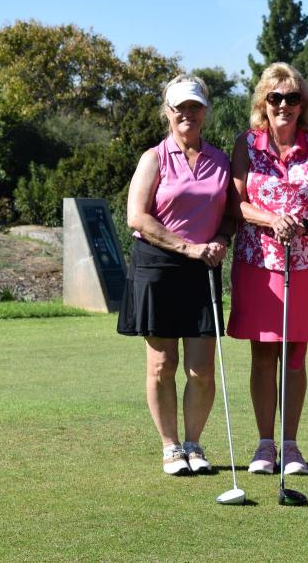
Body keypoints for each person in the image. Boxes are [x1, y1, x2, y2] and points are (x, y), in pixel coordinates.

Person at [117, 74, 232, 476]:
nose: (188, 114)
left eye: (195, 106)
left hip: (202, 269)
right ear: (167, 112)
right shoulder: (154, 157)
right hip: (158, 267)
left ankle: (194, 444)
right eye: (180, 107)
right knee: (162, 365)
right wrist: (187, 247)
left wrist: (219, 240)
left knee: (200, 371)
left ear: (205, 112)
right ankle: (170, 447)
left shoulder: (220, 160)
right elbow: (137, 216)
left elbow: (231, 216)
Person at [228, 62, 308, 475]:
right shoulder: (247, 145)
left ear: (303, 104)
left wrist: (304, 224)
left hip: (305, 263)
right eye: (276, 98)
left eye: (293, 98)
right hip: (258, 262)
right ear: (263, 103)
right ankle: (264, 445)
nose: (284, 105)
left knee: (295, 355)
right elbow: (237, 204)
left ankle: (291, 447)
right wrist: (271, 220)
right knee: (262, 354)